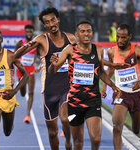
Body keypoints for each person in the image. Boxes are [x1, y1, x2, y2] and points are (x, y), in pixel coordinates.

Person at [48, 20, 121, 150]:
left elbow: (101, 73)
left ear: (92, 33)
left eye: (88, 31)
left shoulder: (98, 49)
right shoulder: (70, 49)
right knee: (78, 142)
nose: (86, 34)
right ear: (77, 34)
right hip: (74, 102)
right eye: (83, 31)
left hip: (93, 100)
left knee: (96, 139)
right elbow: (53, 70)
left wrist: (113, 86)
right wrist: (53, 64)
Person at [15, 7, 77, 150]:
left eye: (53, 20)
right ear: (45, 25)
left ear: (58, 19)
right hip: (49, 90)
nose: (51, 24)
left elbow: (81, 57)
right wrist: (10, 58)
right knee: (52, 132)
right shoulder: (42, 39)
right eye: (47, 22)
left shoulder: (71, 38)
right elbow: (23, 50)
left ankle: (68, 141)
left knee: (65, 119)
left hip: (67, 87)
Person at [101, 24, 140, 150]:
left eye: (123, 37)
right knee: (117, 127)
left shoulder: (138, 51)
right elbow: (110, 70)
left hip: (137, 94)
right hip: (121, 94)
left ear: (130, 37)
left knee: (136, 130)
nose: (120, 40)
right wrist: (105, 87)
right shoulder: (111, 52)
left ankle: (132, 114)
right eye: (118, 37)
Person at [15, 24, 41, 123]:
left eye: (31, 32)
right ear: (25, 32)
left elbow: (40, 55)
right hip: (21, 70)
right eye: (27, 32)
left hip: (31, 70)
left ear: (33, 32)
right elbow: (14, 56)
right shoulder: (20, 43)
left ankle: (28, 115)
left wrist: (40, 66)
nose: (29, 33)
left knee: (31, 93)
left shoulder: (35, 44)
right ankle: (22, 89)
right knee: (23, 93)